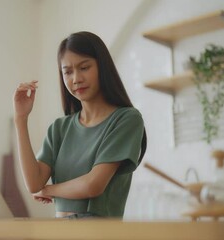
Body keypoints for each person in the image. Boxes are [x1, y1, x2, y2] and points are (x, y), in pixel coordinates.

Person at [13, 31, 147, 219]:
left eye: (84, 67)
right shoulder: (59, 128)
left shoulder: (126, 119)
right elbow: (34, 183)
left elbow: (93, 185)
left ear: (103, 67)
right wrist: (21, 119)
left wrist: (49, 190)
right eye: (67, 71)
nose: (76, 79)